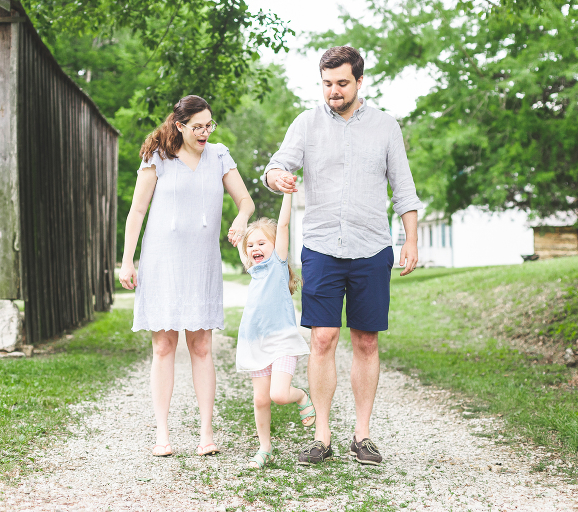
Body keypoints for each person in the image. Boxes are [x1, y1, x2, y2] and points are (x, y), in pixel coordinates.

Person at [262, 46, 421, 466]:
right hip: (321, 248)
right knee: (323, 338)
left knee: (366, 341)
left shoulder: (387, 127)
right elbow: (276, 166)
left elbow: (403, 189)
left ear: (360, 82)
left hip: (372, 247)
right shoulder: (307, 122)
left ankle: (362, 436)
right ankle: (322, 435)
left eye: (342, 83)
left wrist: (411, 240)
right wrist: (277, 176)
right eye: (327, 83)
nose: (334, 91)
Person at [119, 95, 254, 457]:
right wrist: (127, 261)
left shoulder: (219, 155)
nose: (205, 132)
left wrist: (241, 219)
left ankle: (206, 434)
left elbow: (246, 201)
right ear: (179, 125)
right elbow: (137, 212)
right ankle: (162, 435)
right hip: (162, 261)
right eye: (198, 127)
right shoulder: (158, 157)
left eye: (209, 125)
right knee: (164, 346)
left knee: (202, 346)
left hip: (201, 262)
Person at [234, 193, 316, 468]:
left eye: (262, 243)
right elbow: (241, 241)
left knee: (279, 395)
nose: (256, 248)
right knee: (260, 399)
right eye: (251, 245)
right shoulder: (253, 269)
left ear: (274, 246)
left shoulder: (277, 266)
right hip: (256, 345)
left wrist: (288, 195)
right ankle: (265, 447)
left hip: (281, 342)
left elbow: (282, 226)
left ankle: (302, 395)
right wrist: (239, 230)